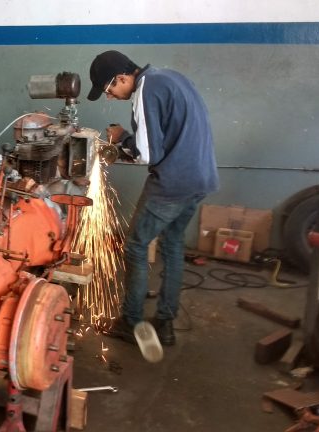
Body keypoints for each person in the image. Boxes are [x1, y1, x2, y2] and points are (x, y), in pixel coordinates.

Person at [87, 50, 219, 346]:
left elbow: (147, 154)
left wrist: (121, 138)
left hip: (173, 183)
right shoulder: (171, 77)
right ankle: (165, 323)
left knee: (135, 246)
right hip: (201, 178)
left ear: (122, 78)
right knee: (172, 245)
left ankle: (130, 321)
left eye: (109, 89)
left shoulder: (146, 90)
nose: (110, 97)